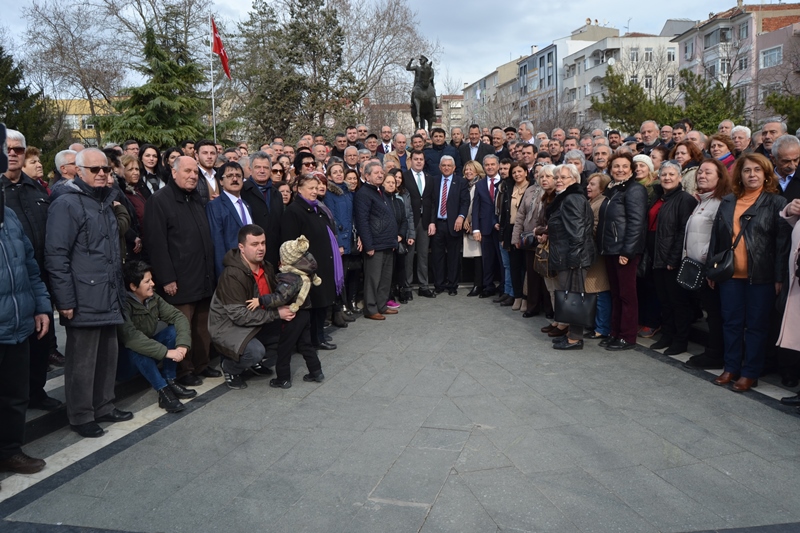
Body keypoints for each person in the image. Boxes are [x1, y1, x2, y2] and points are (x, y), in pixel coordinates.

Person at [45, 148, 132, 438]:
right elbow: (57, 256)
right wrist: (65, 300)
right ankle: (81, 415)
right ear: (77, 171)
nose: (101, 174)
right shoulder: (66, 204)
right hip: (83, 298)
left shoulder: (105, 201)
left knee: (108, 354)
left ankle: (104, 405)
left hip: (107, 293)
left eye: (105, 169)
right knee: (82, 362)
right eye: (93, 169)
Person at [709, 153, 789, 392]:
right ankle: (731, 367)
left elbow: (782, 245)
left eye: (757, 170)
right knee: (731, 323)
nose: (752, 174)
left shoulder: (777, 203)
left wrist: (778, 278)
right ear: (739, 175)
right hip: (730, 275)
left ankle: (750, 372)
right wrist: (712, 272)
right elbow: (718, 237)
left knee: (756, 326)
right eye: (746, 170)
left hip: (761, 277)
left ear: (766, 175)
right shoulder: (728, 201)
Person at [143, 156, 219, 387]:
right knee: (182, 326)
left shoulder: (195, 198)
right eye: (187, 171)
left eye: (195, 172)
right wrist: (166, 278)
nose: (193, 176)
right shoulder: (159, 200)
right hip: (179, 279)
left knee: (202, 325)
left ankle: (202, 364)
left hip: (203, 275)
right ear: (173, 173)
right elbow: (156, 243)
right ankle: (185, 370)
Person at [1, 130, 62, 411]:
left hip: (41, 279)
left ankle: (36, 393)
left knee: (41, 341)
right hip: (11, 286)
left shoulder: (37, 188)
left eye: (19, 149)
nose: (13, 153)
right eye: (8, 149)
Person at [209, 226, 310, 390]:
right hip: (228, 327)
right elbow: (239, 316)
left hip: (255, 319)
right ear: (241, 247)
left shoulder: (266, 266)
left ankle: (251, 362)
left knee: (291, 330)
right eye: (254, 244)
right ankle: (229, 366)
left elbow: (275, 295)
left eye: (263, 243)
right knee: (255, 352)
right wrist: (277, 314)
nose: (261, 248)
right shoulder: (232, 275)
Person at [0, 201, 51, 481]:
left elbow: (30, 266)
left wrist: (41, 306)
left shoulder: (8, 216)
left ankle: (9, 451)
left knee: (15, 396)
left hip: (18, 326)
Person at [117, 261, 196, 413]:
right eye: (147, 281)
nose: (153, 283)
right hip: (125, 363)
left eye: (151, 279)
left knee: (172, 332)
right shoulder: (123, 305)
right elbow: (132, 338)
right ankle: (163, 390)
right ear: (133, 287)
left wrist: (182, 345)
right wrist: (167, 352)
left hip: (147, 354)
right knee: (137, 347)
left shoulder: (153, 298)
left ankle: (170, 380)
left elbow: (178, 317)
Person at [644, 161, 698, 355]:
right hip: (656, 257)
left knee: (678, 302)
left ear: (680, 177)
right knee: (664, 301)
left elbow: (683, 230)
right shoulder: (659, 197)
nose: (667, 178)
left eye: (671, 175)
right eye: (664, 174)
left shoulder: (684, 199)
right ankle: (667, 335)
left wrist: (673, 259)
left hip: (671, 260)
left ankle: (680, 340)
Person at [682, 159, 732, 370]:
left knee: (715, 314)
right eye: (700, 172)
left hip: (709, 268)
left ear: (720, 177)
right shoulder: (702, 201)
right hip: (695, 266)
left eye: (708, 173)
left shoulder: (722, 202)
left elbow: (721, 238)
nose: (701, 175)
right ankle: (712, 351)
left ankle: (715, 355)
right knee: (710, 312)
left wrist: (710, 265)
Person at [596, 152, 648, 351]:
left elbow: (636, 223)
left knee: (627, 295)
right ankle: (615, 332)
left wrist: (628, 251)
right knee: (616, 294)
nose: (620, 170)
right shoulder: (613, 190)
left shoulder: (634, 190)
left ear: (631, 170)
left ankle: (627, 336)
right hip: (610, 248)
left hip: (624, 250)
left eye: (624, 166)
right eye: (616, 166)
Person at [281, 174, 340, 348]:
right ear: (299, 189)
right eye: (311, 188)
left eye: (316, 187)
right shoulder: (294, 211)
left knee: (321, 304)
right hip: (306, 268)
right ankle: (312, 340)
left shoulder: (316, 208)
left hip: (321, 264)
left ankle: (319, 335)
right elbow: (290, 243)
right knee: (312, 305)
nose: (315, 191)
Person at [547, 164, 595, 349]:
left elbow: (577, 232)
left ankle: (575, 339)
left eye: (563, 177)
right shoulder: (566, 198)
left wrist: (575, 259)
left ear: (574, 180)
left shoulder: (572, 199)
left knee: (574, 297)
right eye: (557, 177)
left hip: (573, 257)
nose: (558, 180)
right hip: (568, 254)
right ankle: (570, 335)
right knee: (572, 295)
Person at [353, 162, 399, 319]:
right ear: (367, 176)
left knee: (386, 278)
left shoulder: (381, 191)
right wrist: (369, 244)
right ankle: (371, 309)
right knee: (373, 278)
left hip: (387, 242)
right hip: (375, 244)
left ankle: (381, 305)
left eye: (381, 172)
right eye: (376, 173)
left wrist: (393, 240)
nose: (380, 175)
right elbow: (362, 221)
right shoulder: (364, 194)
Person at [512, 163, 552, 318]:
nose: (541, 178)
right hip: (529, 240)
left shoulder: (552, 193)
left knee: (546, 275)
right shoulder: (530, 190)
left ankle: (549, 308)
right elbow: (520, 215)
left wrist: (545, 233)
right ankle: (532, 306)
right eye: (539, 174)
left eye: (546, 175)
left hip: (546, 240)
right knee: (532, 275)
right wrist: (516, 237)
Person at [425, 156, 469, 295]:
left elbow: (465, 202)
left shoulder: (461, 182)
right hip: (438, 224)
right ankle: (439, 285)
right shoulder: (434, 181)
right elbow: (432, 203)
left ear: (454, 167)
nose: (446, 167)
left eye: (449, 165)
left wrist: (461, 217)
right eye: (443, 165)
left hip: (454, 224)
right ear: (439, 167)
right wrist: (431, 221)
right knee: (437, 257)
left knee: (453, 257)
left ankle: (452, 286)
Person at [206, 162, 253, 280]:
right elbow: (217, 243)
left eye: (238, 175)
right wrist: (223, 275)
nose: (235, 179)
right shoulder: (215, 206)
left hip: (251, 267)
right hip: (231, 270)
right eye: (229, 176)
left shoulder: (247, 205)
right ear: (221, 181)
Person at [240, 152, 284, 268]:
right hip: (250, 256)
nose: (262, 171)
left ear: (270, 170)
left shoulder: (276, 194)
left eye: (265, 167)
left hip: (273, 255)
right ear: (250, 169)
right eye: (258, 167)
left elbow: (280, 225)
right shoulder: (242, 192)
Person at [584, 173, 612, 340]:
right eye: (588, 184)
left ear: (602, 188)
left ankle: (602, 327)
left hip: (596, 253)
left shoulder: (601, 203)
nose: (588, 187)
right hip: (590, 252)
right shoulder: (591, 202)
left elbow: (595, 227)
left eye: (593, 184)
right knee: (594, 291)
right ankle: (596, 324)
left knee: (600, 291)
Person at [499, 161, 531, 310]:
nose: (517, 174)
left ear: (526, 172)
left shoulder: (532, 189)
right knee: (514, 266)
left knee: (526, 267)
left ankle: (526, 297)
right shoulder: (509, 188)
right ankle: (517, 296)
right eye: (514, 172)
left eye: (520, 171)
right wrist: (502, 236)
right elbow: (504, 214)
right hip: (510, 230)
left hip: (527, 230)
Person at [403, 150, 435, 298]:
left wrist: (432, 222)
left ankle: (424, 286)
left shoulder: (429, 178)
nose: (419, 162)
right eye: (416, 159)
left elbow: (432, 202)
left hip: (425, 221)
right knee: (409, 256)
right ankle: (407, 287)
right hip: (410, 220)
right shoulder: (404, 177)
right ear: (411, 160)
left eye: (421, 159)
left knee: (423, 255)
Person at [472, 156, 503, 299]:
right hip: (484, 228)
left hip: (500, 227)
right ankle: (488, 286)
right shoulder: (479, 184)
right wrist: (476, 229)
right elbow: (476, 208)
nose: (490, 167)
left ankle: (504, 286)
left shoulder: (504, 182)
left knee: (502, 260)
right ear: (483, 167)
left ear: (497, 166)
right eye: (487, 165)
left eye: (492, 164)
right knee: (487, 259)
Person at [383, 171, 413, 305]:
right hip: (386, 239)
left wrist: (401, 235)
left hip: (399, 239)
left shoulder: (399, 200)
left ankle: (401, 291)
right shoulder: (382, 199)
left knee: (400, 267)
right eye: (388, 182)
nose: (391, 184)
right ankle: (388, 294)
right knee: (388, 270)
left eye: (393, 183)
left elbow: (404, 220)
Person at [461, 160, 484, 296]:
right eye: (466, 169)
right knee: (475, 256)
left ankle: (479, 284)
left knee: (478, 256)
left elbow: (477, 206)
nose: (468, 172)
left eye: (471, 169)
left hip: (476, 225)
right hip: (467, 223)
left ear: (477, 171)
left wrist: (471, 222)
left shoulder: (479, 185)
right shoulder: (466, 185)